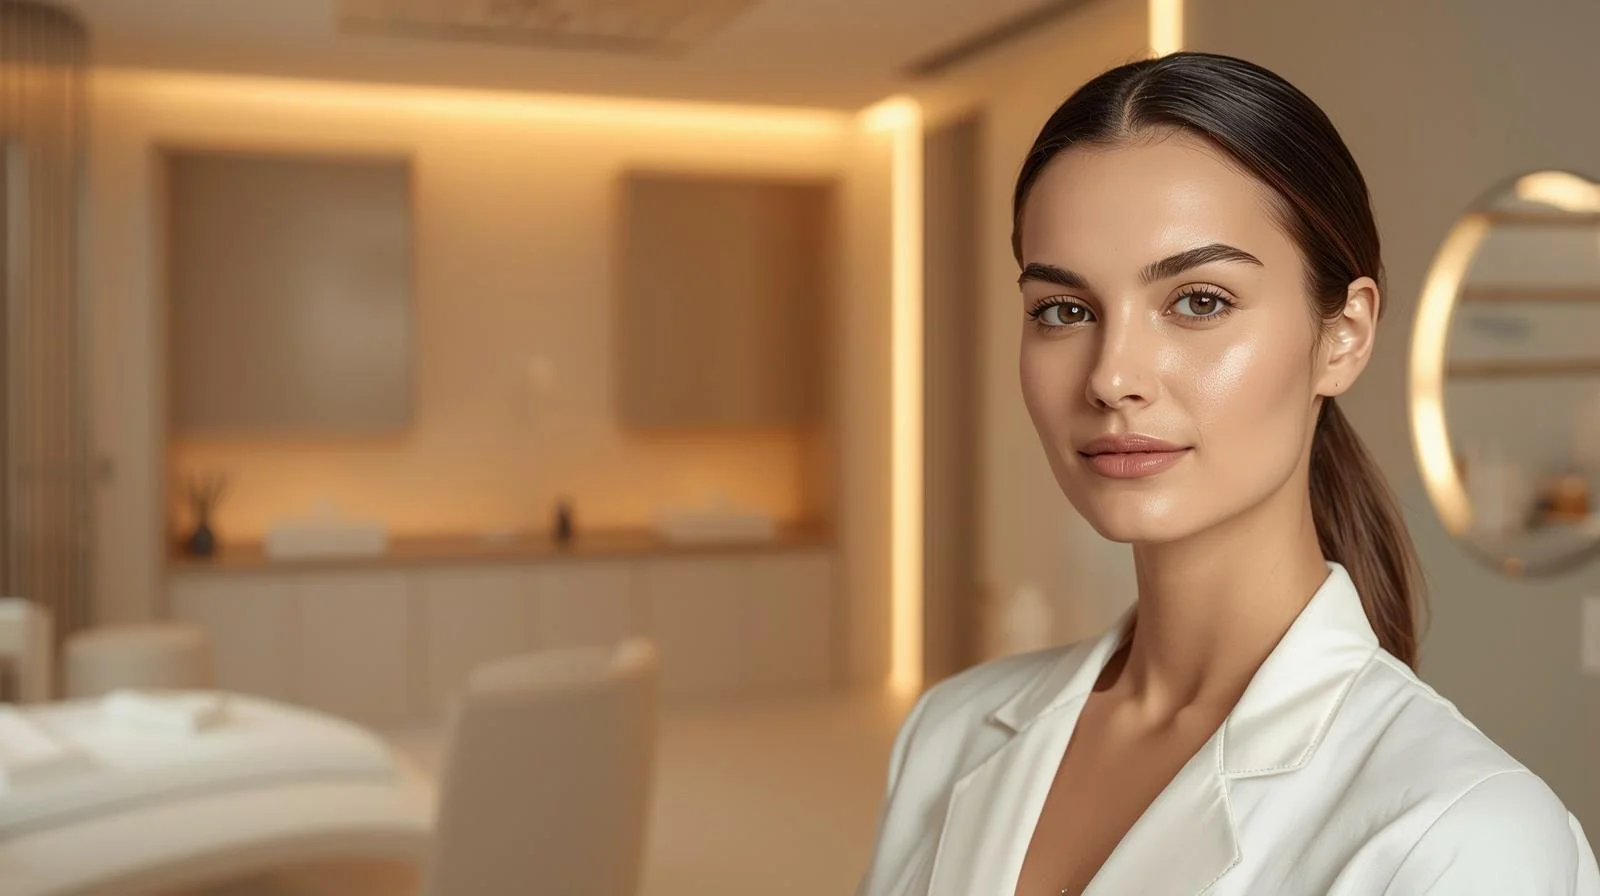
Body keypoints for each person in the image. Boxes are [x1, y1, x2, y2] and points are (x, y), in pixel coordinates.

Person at [855, 51, 1600, 896]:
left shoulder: (1465, 835)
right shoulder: (946, 734)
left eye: (1199, 301)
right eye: (1063, 311)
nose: (1111, 377)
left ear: (1344, 336)